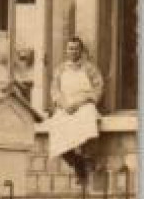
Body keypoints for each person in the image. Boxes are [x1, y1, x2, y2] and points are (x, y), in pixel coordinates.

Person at [44, 36, 106, 185]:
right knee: (56, 127)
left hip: (84, 103)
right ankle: (76, 162)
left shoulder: (90, 68)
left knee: (88, 119)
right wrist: (63, 104)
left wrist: (83, 101)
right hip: (66, 105)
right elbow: (54, 90)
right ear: (66, 50)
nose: (73, 51)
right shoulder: (60, 69)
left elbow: (98, 87)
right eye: (70, 48)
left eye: (76, 48)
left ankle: (88, 159)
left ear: (81, 50)